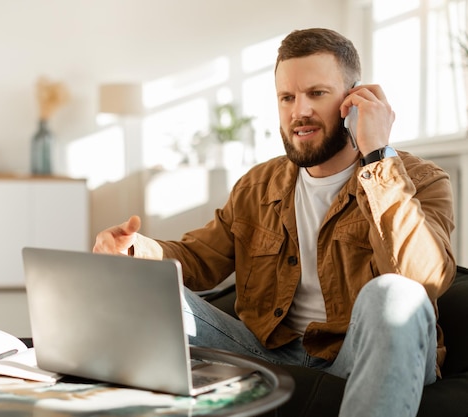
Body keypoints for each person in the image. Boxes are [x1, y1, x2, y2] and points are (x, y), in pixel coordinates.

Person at [93, 28, 456, 417]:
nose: (299, 111)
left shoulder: (419, 180)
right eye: (287, 97)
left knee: (394, 295)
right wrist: (133, 250)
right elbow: (198, 260)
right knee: (143, 293)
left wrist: (378, 157)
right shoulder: (258, 185)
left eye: (316, 93)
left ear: (354, 100)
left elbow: (422, 280)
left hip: (354, 354)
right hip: (266, 354)